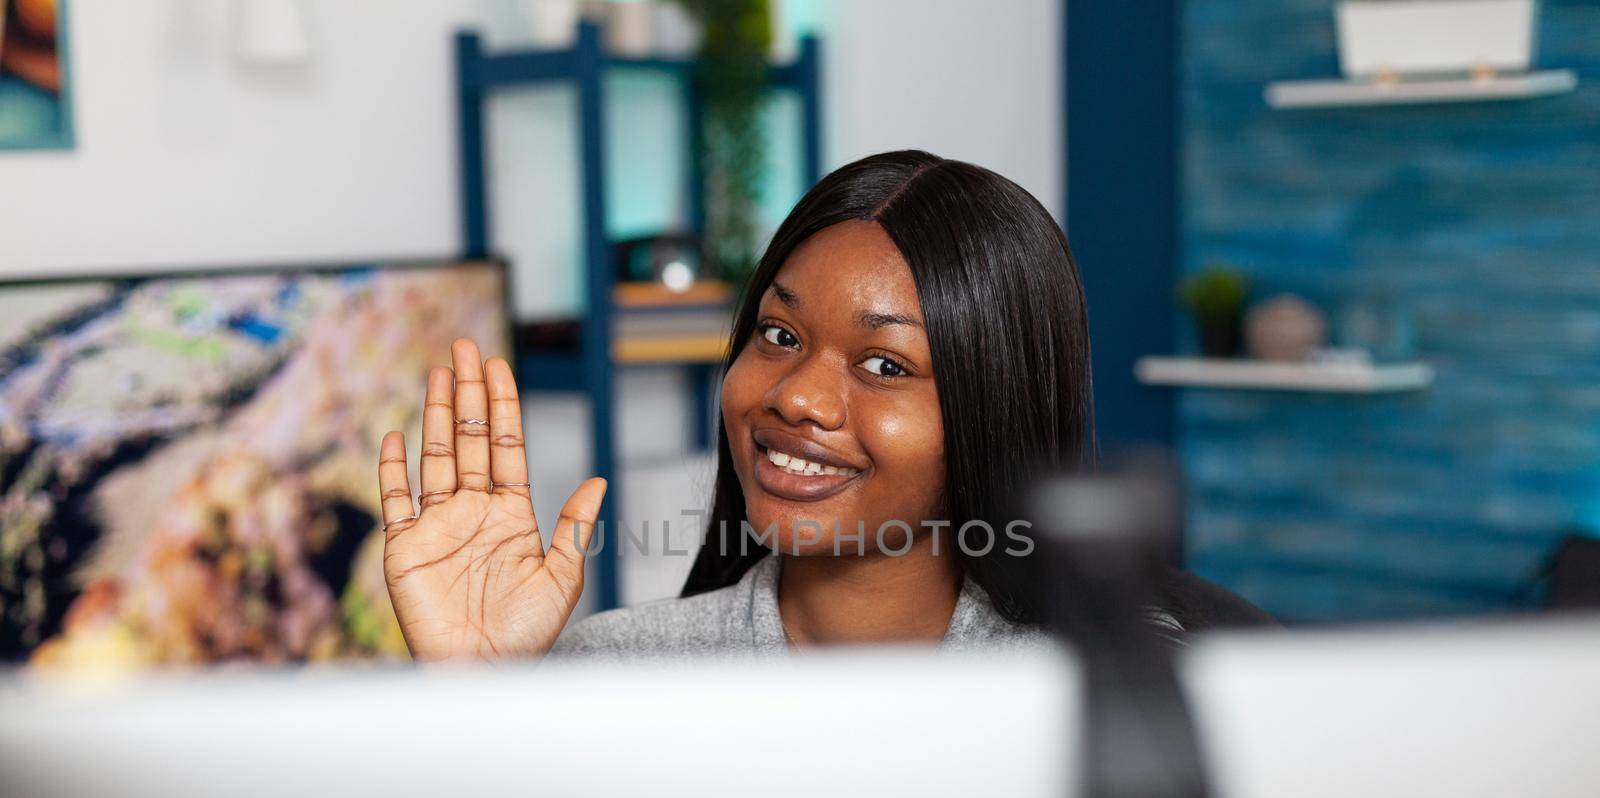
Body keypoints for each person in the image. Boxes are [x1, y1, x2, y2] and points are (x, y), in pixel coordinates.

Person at [376, 150, 1262, 663]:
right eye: (779, 335)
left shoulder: (1104, 684)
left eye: (884, 362)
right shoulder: (621, 672)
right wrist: (474, 700)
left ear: (997, 409)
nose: (795, 396)